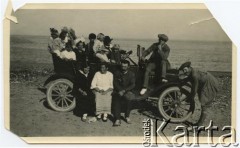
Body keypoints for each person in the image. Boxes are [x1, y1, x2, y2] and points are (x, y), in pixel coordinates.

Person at [178, 61, 219, 127]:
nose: (184, 71)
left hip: (210, 84)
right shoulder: (191, 72)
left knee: (204, 104)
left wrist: (190, 98)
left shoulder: (194, 75)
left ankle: (199, 125)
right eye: (183, 70)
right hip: (206, 83)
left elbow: (194, 89)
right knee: (202, 100)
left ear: (189, 68)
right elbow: (188, 79)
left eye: (185, 70)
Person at [113, 60, 136, 126]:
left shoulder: (131, 74)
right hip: (118, 90)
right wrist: (120, 90)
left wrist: (124, 91)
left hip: (127, 91)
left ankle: (127, 116)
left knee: (129, 99)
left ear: (128, 67)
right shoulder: (117, 73)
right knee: (116, 99)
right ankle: (117, 119)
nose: (123, 68)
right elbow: (115, 83)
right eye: (122, 66)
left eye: (125, 66)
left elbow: (132, 85)